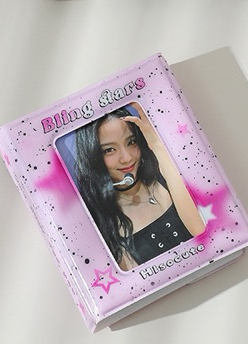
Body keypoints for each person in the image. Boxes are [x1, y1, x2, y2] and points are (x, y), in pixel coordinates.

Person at [72, 102, 205, 270]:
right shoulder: (103, 222)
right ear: (93, 158)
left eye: (131, 142)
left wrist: (157, 146)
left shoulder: (165, 177)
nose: (127, 158)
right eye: (109, 150)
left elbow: (201, 232)